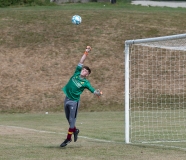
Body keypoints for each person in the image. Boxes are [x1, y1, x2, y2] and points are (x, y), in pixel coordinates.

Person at [60, 46, 102, 147]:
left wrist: (98, 93)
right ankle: (75, 130)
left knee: (71, 122)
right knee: (69, 120)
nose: (84, 70)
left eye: (86, 71)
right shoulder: (76, 73)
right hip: (67, 99)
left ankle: (68, 139)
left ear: (87, 75)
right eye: (83, 69)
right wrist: (86, 52)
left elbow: (93, 90)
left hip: (74, 102)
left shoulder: (85, 83)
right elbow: (81, 61)